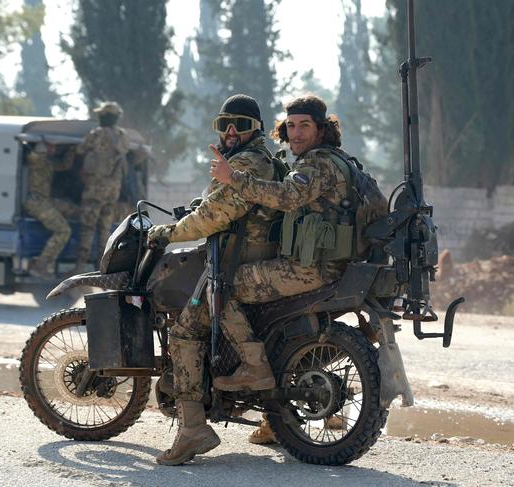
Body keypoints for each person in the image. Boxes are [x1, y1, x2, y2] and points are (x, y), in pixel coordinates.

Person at [210, 94, 369, 443]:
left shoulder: (318, 164)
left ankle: (252, 368)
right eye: (291, 125)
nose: (296, 133)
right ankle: (273, 418)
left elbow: (286, 197)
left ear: (322, 129)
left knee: (223, 287)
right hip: (331, 266)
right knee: (271, 324)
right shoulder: (338, 160)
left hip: (311, 269)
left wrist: (232, 177)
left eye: (305, 126)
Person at [147, 94, 281, 466]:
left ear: (256, 128)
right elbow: (217, 205)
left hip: (237, 264)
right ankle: (275, 420)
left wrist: (167, 233)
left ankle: (193, 429)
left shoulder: (247, 163)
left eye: (240, 124)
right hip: (252, 261)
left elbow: (214, 217)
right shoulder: (255, 161)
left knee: (186, 332)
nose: (232, 131)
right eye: (224, 125)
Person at [74, 101, 130, 272]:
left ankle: (80, 267)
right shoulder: (122, 135)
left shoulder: (96, 134)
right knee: (105, 229)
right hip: (113, 190)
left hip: (95, 189)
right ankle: (103, 267)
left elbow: (80, 150)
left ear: (104, 116)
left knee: (88, 227)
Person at [25, 141, 76, 279]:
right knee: (63, 231)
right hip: (36, 202)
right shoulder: (36, 159)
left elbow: (65, 165)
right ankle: (41, 265)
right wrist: (42, 147)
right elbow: (34, 156)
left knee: (72, 208)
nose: (55, 149)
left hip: (44, 200)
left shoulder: (47, 162)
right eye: (52, 146)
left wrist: (71, 150)